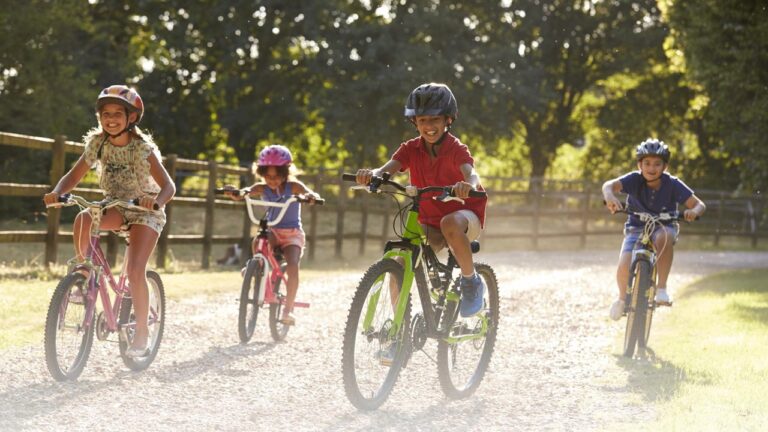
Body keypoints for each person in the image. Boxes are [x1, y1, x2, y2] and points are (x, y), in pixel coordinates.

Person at [43, 85, 176, 356]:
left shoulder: (142, 149)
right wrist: (59, 192)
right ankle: (82, 275)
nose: (111, 118)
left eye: (118, 113)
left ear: (132, 118)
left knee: (136, 271)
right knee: (84, 218)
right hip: (115, 204)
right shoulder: (98, 143)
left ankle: (142, 333)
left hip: (144, 210)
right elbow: (74, 174)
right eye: (105, 113)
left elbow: (169, 186)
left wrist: (157, 201)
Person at [355, 82, 488, 318]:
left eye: (435, 119)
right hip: (429, 219)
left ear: (448, 120)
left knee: (449, 223)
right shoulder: (410, 149)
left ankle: (471, 281)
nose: (428, 126)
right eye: (422, 120)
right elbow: (386, 169)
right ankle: (398, 330)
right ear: (414, 121)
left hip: (464, 216)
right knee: (400, 263)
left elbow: (472, 173)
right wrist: (372, 175)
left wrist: (468, 185)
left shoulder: (456, 148)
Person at [603, 138, 706, 320]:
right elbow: (608, 185)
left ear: (665, 167)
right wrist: (610, 196)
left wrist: (693, 211)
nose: (652, 168)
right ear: (639, 164)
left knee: (664, 236)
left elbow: (699, 204)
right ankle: (621, 300)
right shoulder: (634, 179)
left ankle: (662, 289)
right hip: (636, 228)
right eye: (647, 163)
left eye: (657, 164)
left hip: (664, 225)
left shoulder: (672, 184)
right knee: (624, 264)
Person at [224, 145, 321, 326]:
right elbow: (246, 191)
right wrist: (236, 192)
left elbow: (308, 192)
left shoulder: (293, 187)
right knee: (261, 238)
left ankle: (287, 310)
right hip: (274, 230)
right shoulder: (262, 188)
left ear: (285, 173)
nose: (272, 181)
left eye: (276, 177)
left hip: (292, 234)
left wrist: (311, 196)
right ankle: (255, 264)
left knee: (293, 265)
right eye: (268, 176)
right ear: (262, 173)